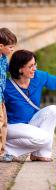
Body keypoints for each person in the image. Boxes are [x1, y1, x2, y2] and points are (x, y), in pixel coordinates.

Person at [2, 49, 56, 162]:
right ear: (20, 69)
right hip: (13, 126)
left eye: (35, 64)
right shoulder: (6, 86)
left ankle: (40, 153)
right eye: (30, 66)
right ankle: (8, 149)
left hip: (30, 123)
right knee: (44, 138)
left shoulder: (38, 77)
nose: (35, 69)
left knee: (53, 110)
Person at [0, 28, 17, 156]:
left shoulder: (4, 58)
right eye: (11, 47)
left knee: (4, 124)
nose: (12, 50)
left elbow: (9, 70)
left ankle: (2, 151)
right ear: (1, 46)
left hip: (1, 98)